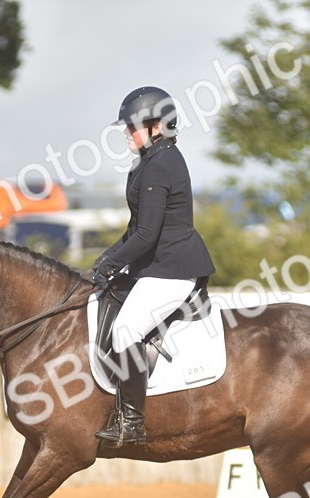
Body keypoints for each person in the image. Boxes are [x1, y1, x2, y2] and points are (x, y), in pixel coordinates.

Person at [92, 86, 217, 447]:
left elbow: (146, 236)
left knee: (126, 330)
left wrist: (108, 265)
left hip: (173, 269)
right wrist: (102, 264)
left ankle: (132, 421)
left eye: (134, 126)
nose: (128, 133)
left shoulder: (161, 164)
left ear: (157, 126)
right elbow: (135, 230)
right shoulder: (147, 161)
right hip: (155, 266)